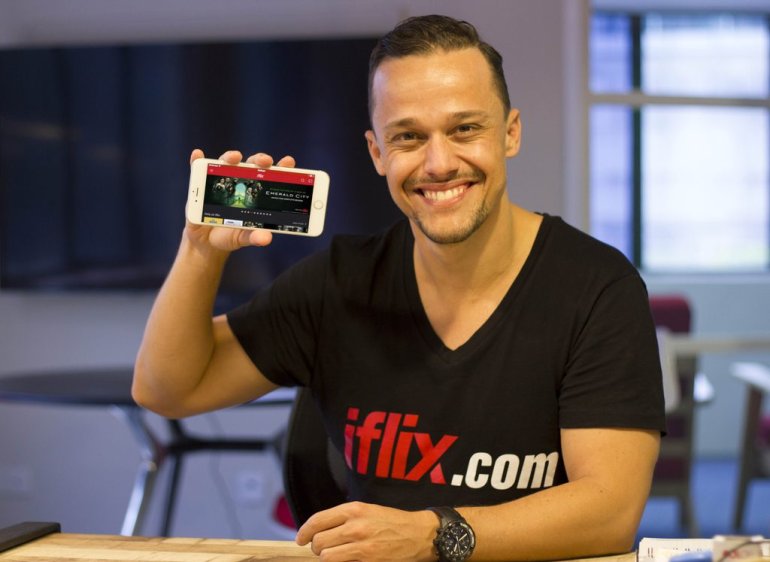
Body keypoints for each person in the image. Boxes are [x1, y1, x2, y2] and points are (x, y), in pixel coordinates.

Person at [133, 14, 665, 562]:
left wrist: (432, 536)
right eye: (408, 137)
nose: (439, 163)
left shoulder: (597, 288)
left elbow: (609, 512)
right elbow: (168, 390)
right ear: (377, 153)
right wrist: (199, 253)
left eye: (465, 129)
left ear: (510, 133)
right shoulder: (337, 284)